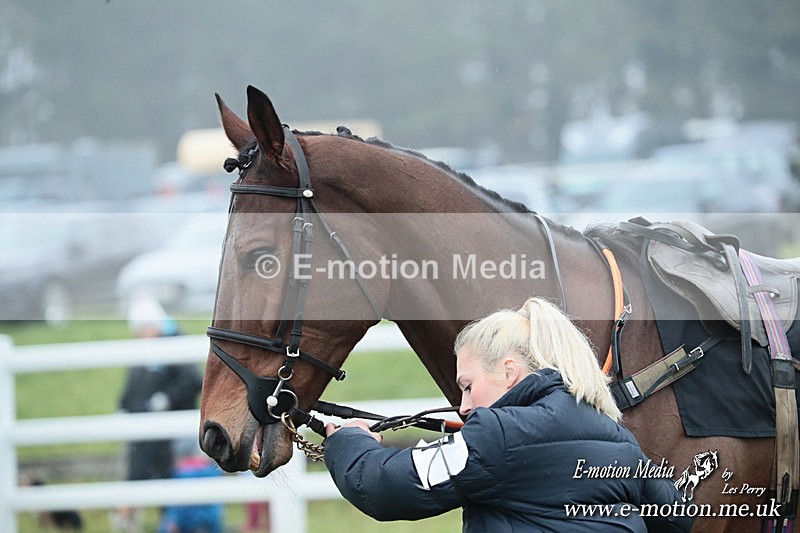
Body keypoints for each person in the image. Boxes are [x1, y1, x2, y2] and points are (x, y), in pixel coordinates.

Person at [323, 297, 694, 531]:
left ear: (509, 371)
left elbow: (386, 488)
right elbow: (677, 519)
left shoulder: (498, 434)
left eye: (467, 386)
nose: (464, 406)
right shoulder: (619, 438)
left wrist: (347, 441)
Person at [112, 293, 204, 533]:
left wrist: (166, 399)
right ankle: (131, 520)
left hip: (170, 433)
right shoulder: (146, 348)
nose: (142, 335)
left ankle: (170, 522)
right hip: (144, 432)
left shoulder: (174, 343)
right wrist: (123, 406)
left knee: (167, 479)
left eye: (145, 328)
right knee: (139, 473)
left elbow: (192, 379)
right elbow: (133, 384)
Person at [158, 438, 223, 533]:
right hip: (208, 524)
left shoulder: (179, 473)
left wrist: (171, 523)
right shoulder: (211, 472)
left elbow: (175, 509)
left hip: (185, 524)